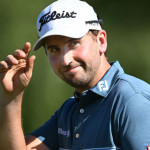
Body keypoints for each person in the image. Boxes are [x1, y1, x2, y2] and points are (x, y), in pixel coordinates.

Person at [0, 0, 150, 150]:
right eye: (54, 50)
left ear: (101, 41)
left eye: (74, 43)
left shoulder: (132, 101)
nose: (65, 60)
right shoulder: (70, 110)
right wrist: (12, 97)